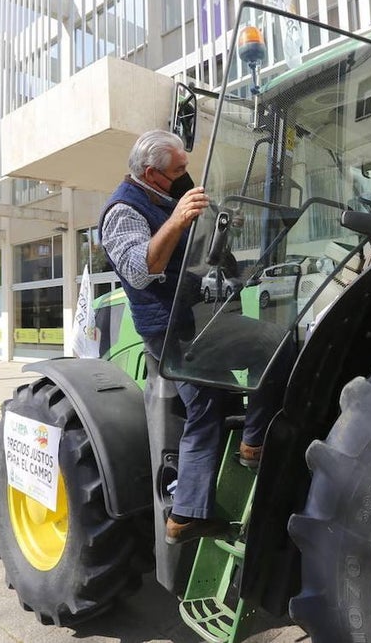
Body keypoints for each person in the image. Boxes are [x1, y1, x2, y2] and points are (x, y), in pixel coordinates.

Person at [100, 130, 275, 545]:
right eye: (178, 170)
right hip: (171, 331)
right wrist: (178, 219)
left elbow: (195, 251)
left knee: (209, 404)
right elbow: (143, 270)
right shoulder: (122, 212)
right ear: (151, 173)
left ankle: (186, 516)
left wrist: (225, 229)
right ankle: (255, 444)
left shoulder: (162, 197)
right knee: (273, 346)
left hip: (192, 318)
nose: (185, 176)